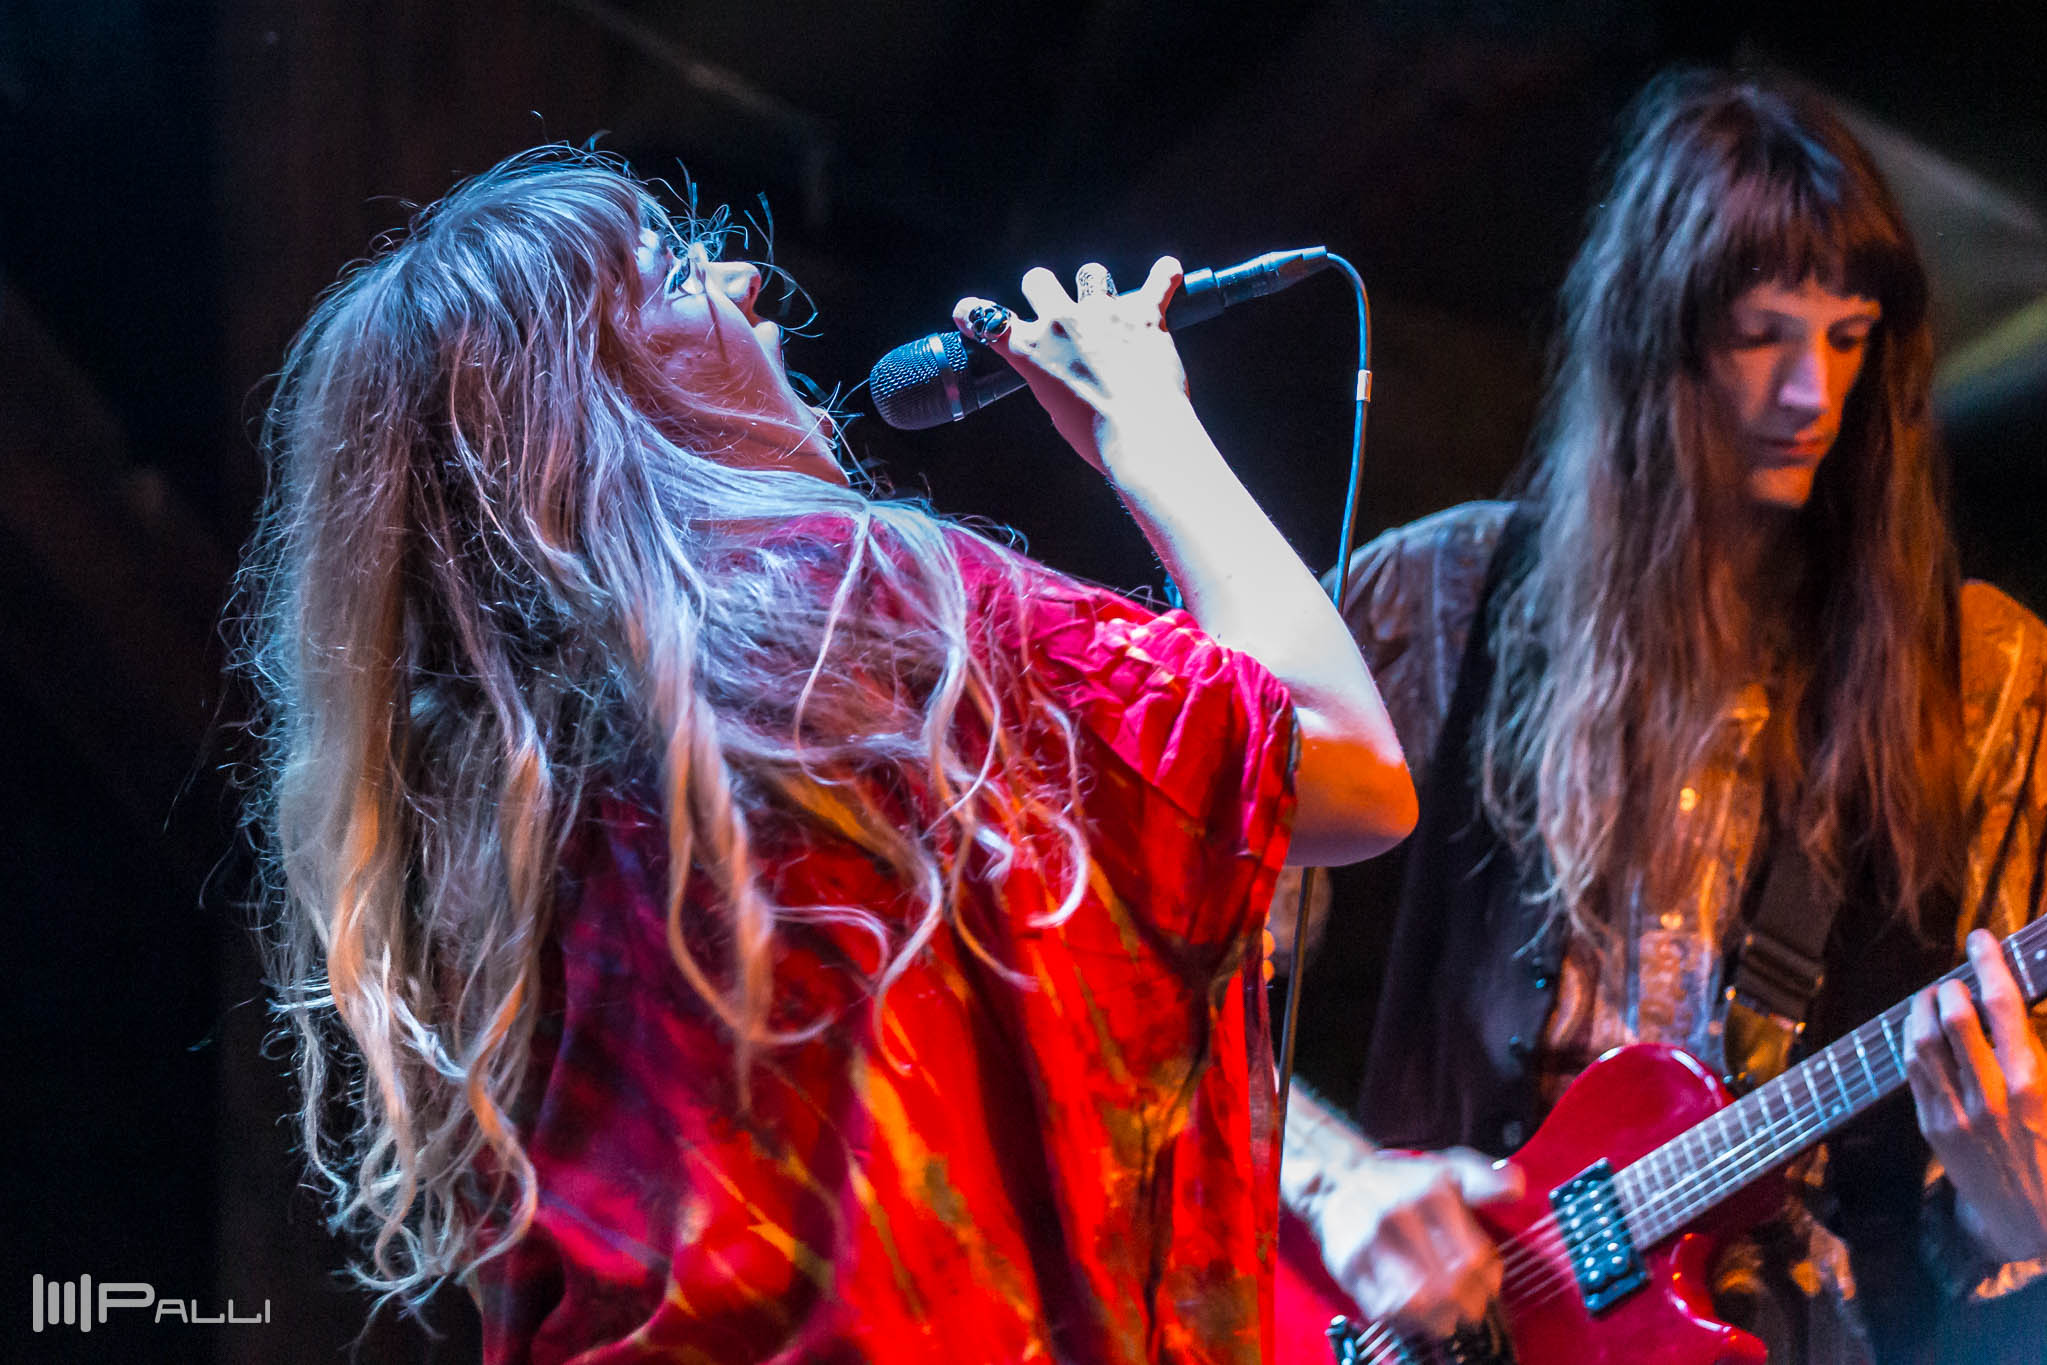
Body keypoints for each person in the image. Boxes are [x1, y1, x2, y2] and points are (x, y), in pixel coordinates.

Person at [235, 147, 1416, 1364]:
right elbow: (1346, 769)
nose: (746, 278)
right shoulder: (854, 603)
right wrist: (1148, 427)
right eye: (677, 273)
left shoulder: (493, 806)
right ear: (596, 403)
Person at [1280, 69, 2047, 1362]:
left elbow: (1983, 1241)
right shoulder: (1443, 592)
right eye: (1762, 334)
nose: (1812, 395)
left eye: (1849, 338)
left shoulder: (1988, 677)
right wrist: (1334, 1177)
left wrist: (2010, 1208)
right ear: (1655, 340)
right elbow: (1174, 960)